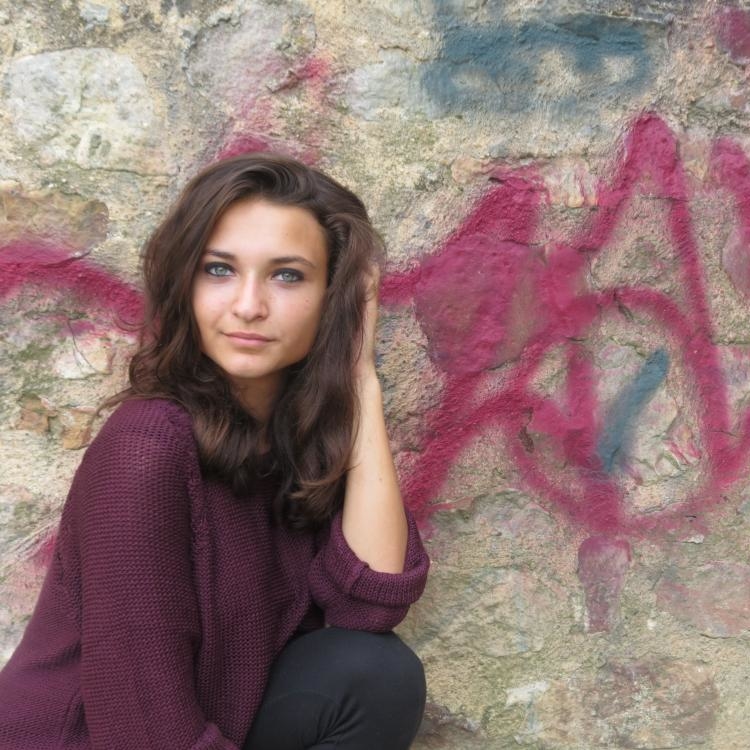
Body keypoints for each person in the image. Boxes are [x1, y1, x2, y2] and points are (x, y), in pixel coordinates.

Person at [0, 154, 430, 749]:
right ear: (185, 283)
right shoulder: (145, 447)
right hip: (89, 740)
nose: (249, 305)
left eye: (288, 276)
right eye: (220, 270)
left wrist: (361, 380)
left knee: (376, 675)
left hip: (203, 727)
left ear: (334, 298)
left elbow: (370, 606)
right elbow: (143, 731)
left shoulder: (297, 435)